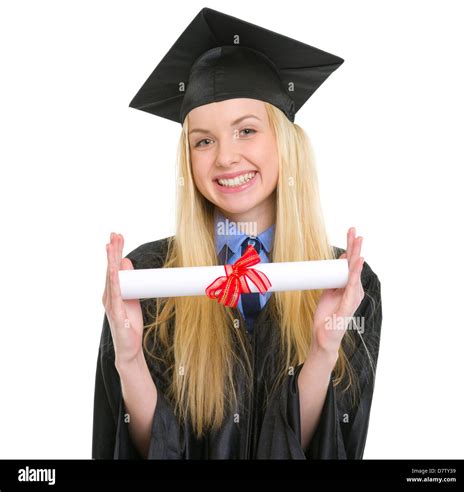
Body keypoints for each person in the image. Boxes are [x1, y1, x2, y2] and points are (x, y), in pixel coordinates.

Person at [92, 7, 383, 460]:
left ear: (285, 142)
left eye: (246, 130)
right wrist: (129, 359)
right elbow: (149, 448)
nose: (225, 157)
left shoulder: (341, 280)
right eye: (203, 141)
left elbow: (327, 448)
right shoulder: (148, 277)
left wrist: (324, 348)